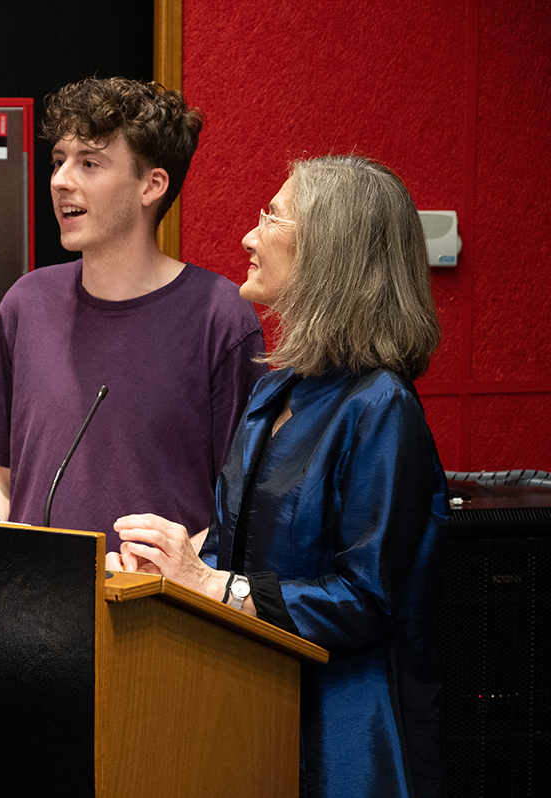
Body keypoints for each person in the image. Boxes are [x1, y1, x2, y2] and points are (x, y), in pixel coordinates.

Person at [108, 154, 448, 798]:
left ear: (332, 253)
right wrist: (167, 568)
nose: (248, 236)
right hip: (248, 708)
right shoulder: (274, 390)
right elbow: (231, 551)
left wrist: (210, 583)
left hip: (345, 736)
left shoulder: (382, 406)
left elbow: (365, 601)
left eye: (271, 217)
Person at [0, 77, 266, 547]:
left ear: (151, 185)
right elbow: (0, 478)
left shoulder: (220, 316)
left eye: (89, 163)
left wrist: (171, 565)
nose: (61, 180)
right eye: (59, 161)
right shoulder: (26, 302)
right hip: (30, 588)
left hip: (153, 593)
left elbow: (245, 510)